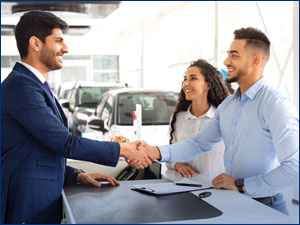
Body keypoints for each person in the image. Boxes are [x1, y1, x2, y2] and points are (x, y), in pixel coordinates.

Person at [1, 10, 152, 224]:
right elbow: (63, 142)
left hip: (40, 197)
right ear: (35, 43)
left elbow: (39, 151)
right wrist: (124, 149)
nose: (66, 48)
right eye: (58, 40)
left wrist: (76, 176)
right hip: (27, 202)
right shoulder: (21, 86)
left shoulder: (35, 85)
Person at [140, 27, 299, 215]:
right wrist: (156, 151)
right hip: (233, 202)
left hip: (266, 206)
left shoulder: (275, 104)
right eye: (227, 55)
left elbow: (294, 166)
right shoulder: (229, 105)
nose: (226, 62)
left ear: (255, 60)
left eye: (234, 56)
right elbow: (200, 143)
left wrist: (242, 185)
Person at [165, 59, 229, 179]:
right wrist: (179, 165)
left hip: (218, 190)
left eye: (193, 78)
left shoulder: (224, 116)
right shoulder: (178, 118)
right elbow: (170, 153)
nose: (186, 84)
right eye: (185, 79)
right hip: (186, 188)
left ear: (208, 84)